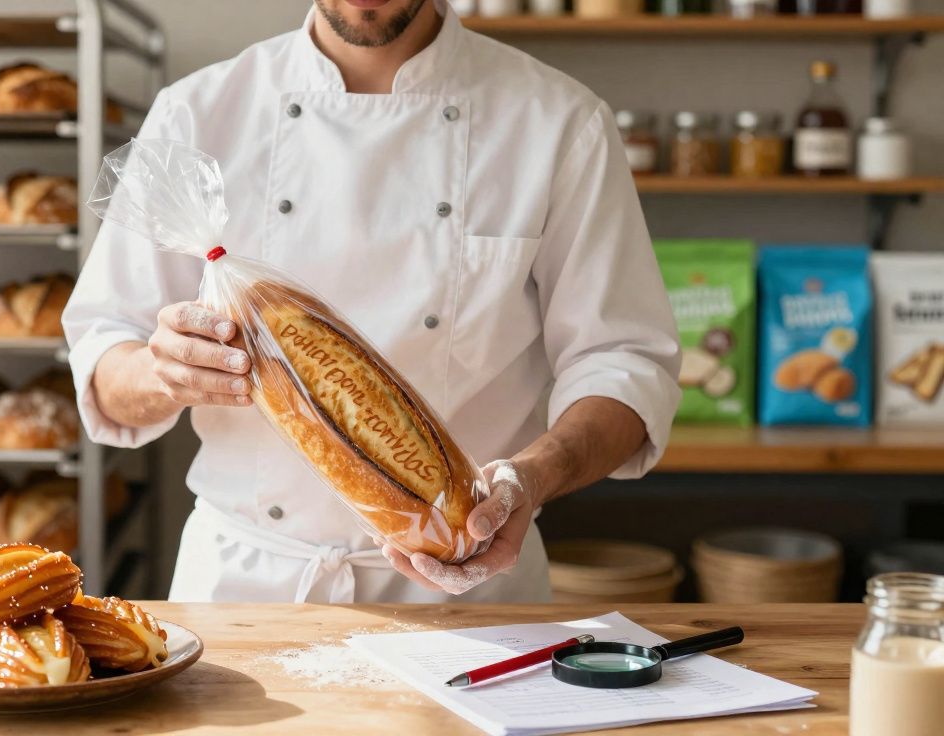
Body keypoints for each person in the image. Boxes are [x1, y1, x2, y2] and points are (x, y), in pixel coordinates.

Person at [63, 0, 681, 603]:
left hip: (472, 595)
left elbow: (624, 363)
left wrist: (535, 475)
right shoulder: (198, 112)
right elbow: (106, 364)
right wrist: (162, 373)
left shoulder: (559, 122)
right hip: (247, 589)